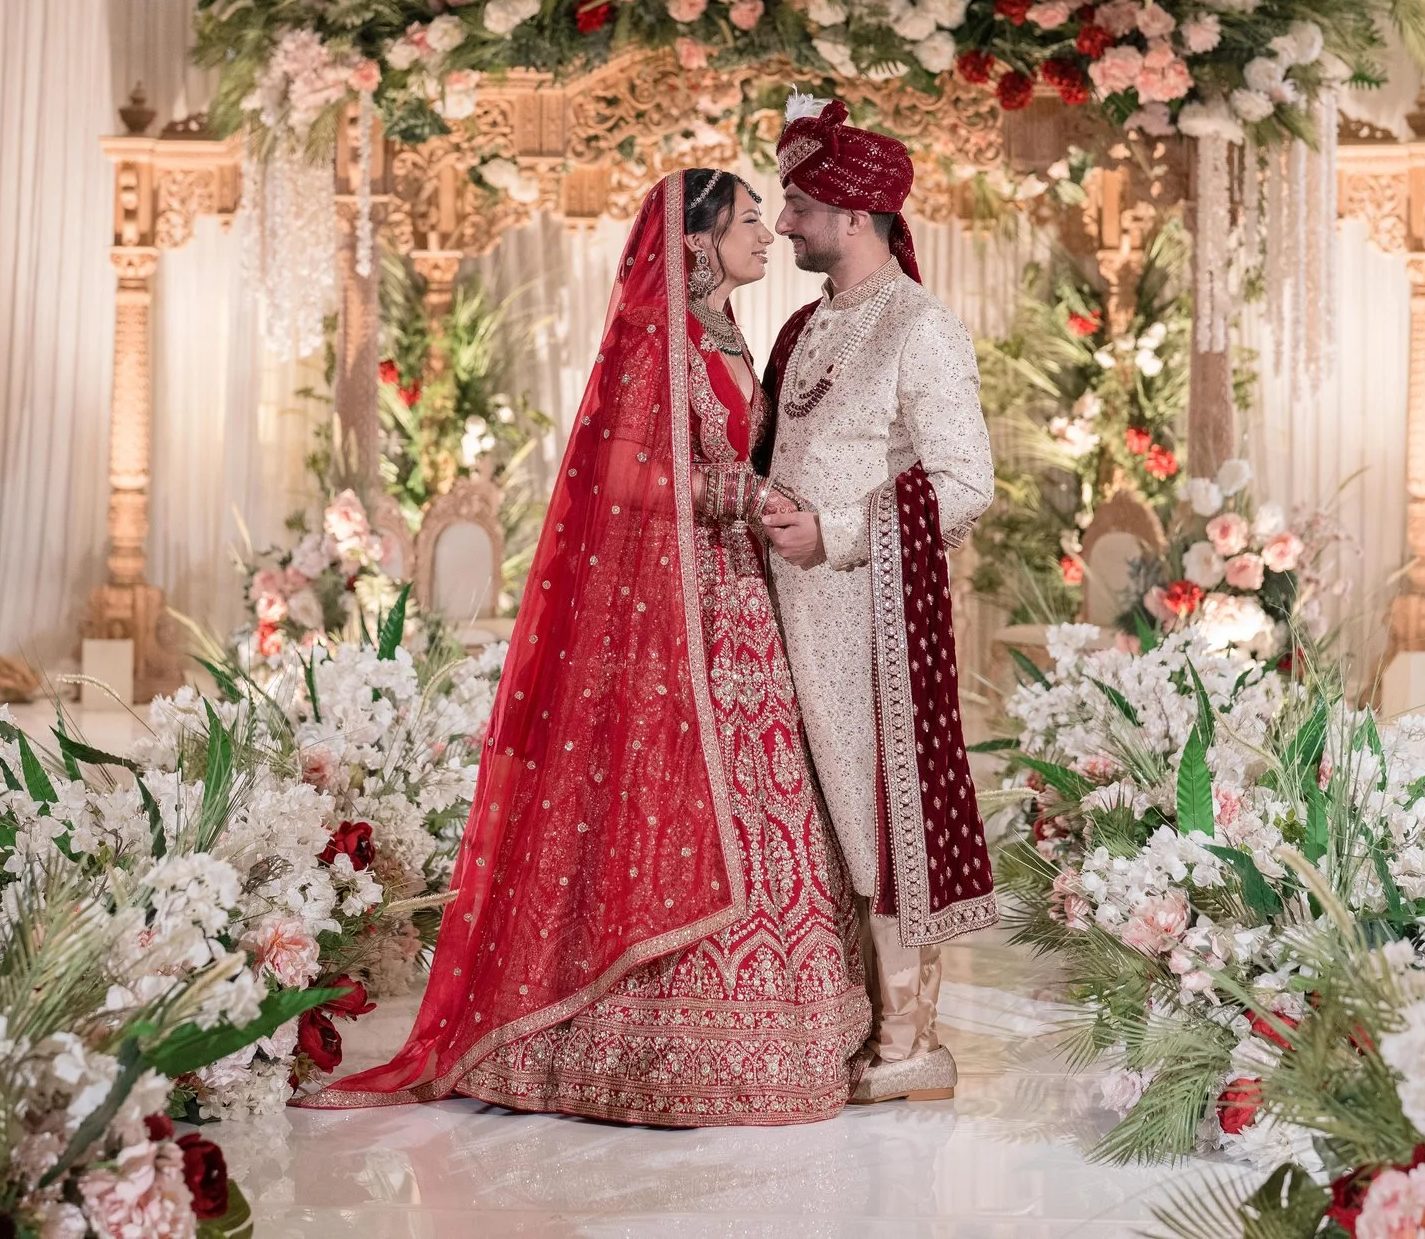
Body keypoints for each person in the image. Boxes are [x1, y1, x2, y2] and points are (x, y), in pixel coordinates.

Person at [297, 169, 869, 1125]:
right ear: (697, 241)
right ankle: (631, 1041)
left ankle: (781, 1028)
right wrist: (732, 498)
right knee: (668, 791)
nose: (767, 235)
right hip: (674, 614)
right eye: (749, 221)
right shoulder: (659, 339)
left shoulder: (735, 336)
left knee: (765, 797)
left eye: (771, 221)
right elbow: (620, 472)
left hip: (742, 600)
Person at [754, 90, 997, 1106]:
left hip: (868, 622)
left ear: (854, 215)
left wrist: (837, 531)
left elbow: (967, 482)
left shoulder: (919, 329)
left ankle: (909, 1043)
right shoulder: (808, 325)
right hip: (781, 616)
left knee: (873, 818)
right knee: (811, 820)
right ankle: (846, 1018)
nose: (781, 225)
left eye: (798, 207)